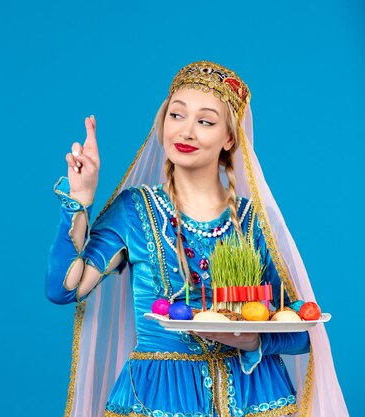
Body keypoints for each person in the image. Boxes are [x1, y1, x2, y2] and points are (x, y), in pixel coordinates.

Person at [45, 61, 348, 417]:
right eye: (177, 115)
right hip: (160, 396)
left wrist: (255, 340)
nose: (186, 131)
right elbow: (65, 289)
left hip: (255, 393)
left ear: (229, 138)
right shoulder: (135, 211)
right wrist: (79, 201)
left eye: (205, 121)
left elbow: (299, 327)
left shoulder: (252, 222)